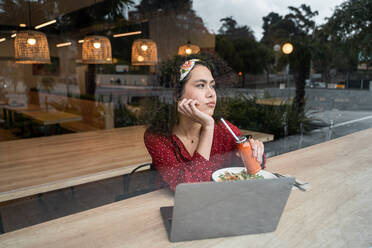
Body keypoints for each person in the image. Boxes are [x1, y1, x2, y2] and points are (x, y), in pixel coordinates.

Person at [144, 57, 265, 191]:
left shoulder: (225, 130)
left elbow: (251, 172)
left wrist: (255, 153)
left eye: (212, 85)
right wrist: (208, 127)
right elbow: (190, 189)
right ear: (177, 94)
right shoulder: (157, 137)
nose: (211, 93)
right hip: (170, 207)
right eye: (201, 85)